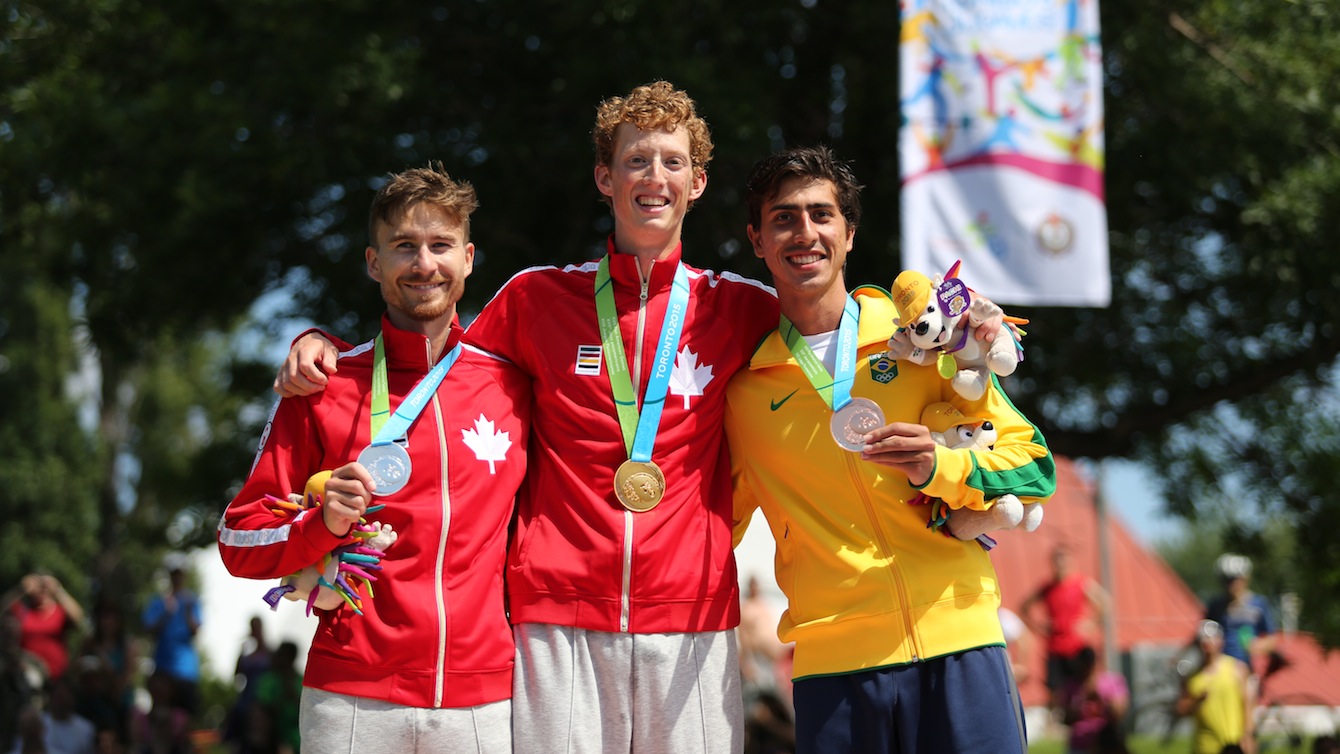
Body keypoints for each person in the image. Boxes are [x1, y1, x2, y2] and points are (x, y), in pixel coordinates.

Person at [276, 82, 782, 753]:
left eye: (671, 161)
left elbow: (839, 331)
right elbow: (429, 364)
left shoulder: (742, 308)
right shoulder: (535, 297)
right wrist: (324, 345)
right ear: (605, 177)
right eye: (636, 161)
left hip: (691, 615)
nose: (653, 177)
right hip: (556, 616)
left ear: (697, 181)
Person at [724, 145, 1056, 753]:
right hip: (834, 667)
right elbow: (715, 528)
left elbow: (1034, 467)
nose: (805, 233)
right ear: (757, 239)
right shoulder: (743, 396)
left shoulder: (926, 343)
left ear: (849, 234)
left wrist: (941, 466)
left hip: (960, 640)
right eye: (784, 218)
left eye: (822, 215)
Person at [218, 165, 531, 751]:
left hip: (482, 700)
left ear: (468, 257)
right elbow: (238, 539)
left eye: (440, 246)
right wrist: (320, 526)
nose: (423, 264)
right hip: (353, 696)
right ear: (372, 261)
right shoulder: (324, 388)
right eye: (403, 247)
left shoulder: (514, 387)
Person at [1020, 543, 1109, 714]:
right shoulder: (1047, 587)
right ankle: (1059, 722)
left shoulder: (1081, 583)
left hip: (1076, 646)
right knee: (1055, 692)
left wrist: (1091, 623)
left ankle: (1087, 717)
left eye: (1065, 558)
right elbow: (1024, 607)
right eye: (1058, 559)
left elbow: (1105, 603)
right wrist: (1038, 627)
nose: (1061, 563)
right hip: (1055, 647)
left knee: (1085, 685)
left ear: (1071, 561)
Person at [1176, 619, 1255, 754]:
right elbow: (1180, 710)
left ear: (1220, 640)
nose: (1208, 643)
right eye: (1203, 639)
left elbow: (1247, 705)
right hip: (1205, 747)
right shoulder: (1192, 677)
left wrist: (1248, 736)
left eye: (1212, 638)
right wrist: (1196, 701)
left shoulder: (1237, 669)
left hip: (1233, 745)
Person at [140, 565, 201, 718]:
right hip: (163, 669)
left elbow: (196, 630)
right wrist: (166, 614)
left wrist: (187, 612)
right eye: (175, 575)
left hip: (186, 671)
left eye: (180, 575)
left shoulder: (191, 601)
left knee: (185, 717)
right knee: (160, 716)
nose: (177, 579)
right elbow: (148, 628)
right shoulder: (159, 602)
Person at [2, 572, 86, 683]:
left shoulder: (60, 611)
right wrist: (20, 590)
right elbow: (2, 610)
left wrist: (58, 591)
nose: (41, 590)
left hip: (58, 677)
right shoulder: (22, 610)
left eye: (44, 587)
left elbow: (79, 619)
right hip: (28, 676)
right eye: (38, 587)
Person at [1204, 554, 1276, 678]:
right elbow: (1203, 634)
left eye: (1235, 579)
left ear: (1245, 579)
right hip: (1220, 670)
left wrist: (1258, 646)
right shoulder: (1215, 606)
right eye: (1226, 580)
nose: (1231, 585)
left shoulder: (1258, 604)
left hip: (1247, 668)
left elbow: (1272, 639)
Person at [1060, 646, 1128, 754]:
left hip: (1107, 742)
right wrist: (1081, 699)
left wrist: (1101, 696)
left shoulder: (1113, 681)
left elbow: (1119, 713)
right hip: (1080, 743)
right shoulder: (1072, 685)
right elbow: (1066, 719)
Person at [251, 641, 302, 754]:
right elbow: (262, 707)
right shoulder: (269, 680)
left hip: (295, 735)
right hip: (273, 736)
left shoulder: (300, 681)